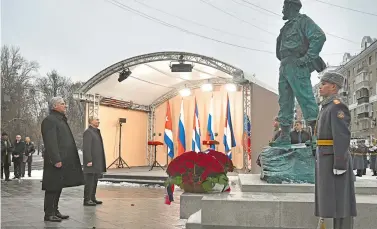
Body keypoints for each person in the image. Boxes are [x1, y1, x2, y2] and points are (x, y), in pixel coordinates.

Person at [272, 0, 327, 145]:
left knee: (305, 97)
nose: (283, 10)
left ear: (291, 6)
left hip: (297, 64)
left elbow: (319, 36)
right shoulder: (286, 27)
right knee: (284, 101)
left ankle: (316, 136)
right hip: (285, 65)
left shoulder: (303, 21)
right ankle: (284, 136)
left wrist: (307, 58)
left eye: (284, 6)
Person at [315, 72, 356, 229]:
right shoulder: (327, 106)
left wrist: (340, 163)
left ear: (333, 87)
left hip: (333, 159)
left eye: (324, 84)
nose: (320, 86)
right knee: (331, 201)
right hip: (326, 157)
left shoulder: (337, 106)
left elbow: (341, 136)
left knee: (341, 201)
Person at [41, 96, 84, 222]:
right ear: (55, 106)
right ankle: (49, 213)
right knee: (52, 187)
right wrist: (56, 159)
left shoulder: (60, 120)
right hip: (55, 161)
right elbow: (50, 142)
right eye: (62, 103)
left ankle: (55, 210)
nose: (65, 105)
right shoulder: (50, 120)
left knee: (58, 186)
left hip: (63, 159)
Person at [82, 116, 106, 206]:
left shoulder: (96, 132)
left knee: (95, 180)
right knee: (89, 181)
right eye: (97, 120)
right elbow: (86, 147)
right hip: (91, 161)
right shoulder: (88, 132)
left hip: (97, 161)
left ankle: (92, 198)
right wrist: (89, 160)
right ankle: (87, 199)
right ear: (91, 121)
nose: (98, 121)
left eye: (99, 120)